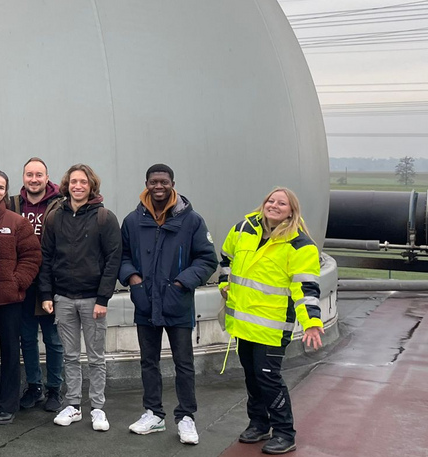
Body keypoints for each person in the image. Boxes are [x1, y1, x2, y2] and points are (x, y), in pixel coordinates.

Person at [219, 187, 323, 456]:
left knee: (268, 378)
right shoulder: (244, 227)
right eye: (271, 200)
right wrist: (223, 281)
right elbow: (226, 256)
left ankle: (285, 433)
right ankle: (258, 424)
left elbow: (306, 288)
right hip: (243, 322)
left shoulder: (299, 244)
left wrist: (312, 321)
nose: (274, 205)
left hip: (273, 326)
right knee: (252, 377)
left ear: (292, 211)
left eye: (282, 203)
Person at [119, 164, 218, 444]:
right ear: (146, 183)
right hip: (145, 302)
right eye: (153, 181)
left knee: (183, 363)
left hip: (178, 303)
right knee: (148, 361)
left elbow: (207, 259)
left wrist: (180, 283)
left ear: (172, 183)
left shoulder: (191, 221)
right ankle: (153, 413)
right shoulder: (132, 220)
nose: (158, 186)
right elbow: (122, 256)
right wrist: (134, 280)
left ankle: (186, 417)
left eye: (163, 181)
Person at [40, 164, 121, 431]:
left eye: (83, 182)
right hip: (63, 297)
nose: (77, 186)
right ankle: (73, 405)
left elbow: (113, 260)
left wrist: (103, 299)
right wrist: (46, 293)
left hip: (92, 300)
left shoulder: (104, 217)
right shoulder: (55, 217)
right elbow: (46, 258)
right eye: (73, 181)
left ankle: (98, 408)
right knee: (70, 356)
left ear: (91, 185)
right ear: (67, 185)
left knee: (96, 357)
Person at [0, 170, 41, 425]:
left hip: (11, 299)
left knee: (12, 352)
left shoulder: (17, 222)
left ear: (5, 191)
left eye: (0, 187)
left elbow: (32, 256)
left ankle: (8, 403)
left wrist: (17, 282)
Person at [5, 157, 65, 412]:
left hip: (51, 282)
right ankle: (34, 387)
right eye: (29, 174)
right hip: (23, 283)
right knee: (27, 338)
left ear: (47, 177)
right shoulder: (13, 204)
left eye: (38, 175)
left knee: (53, 339)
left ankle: (55, 389)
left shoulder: (60, 204)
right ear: (23, 178)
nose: (34, 179)